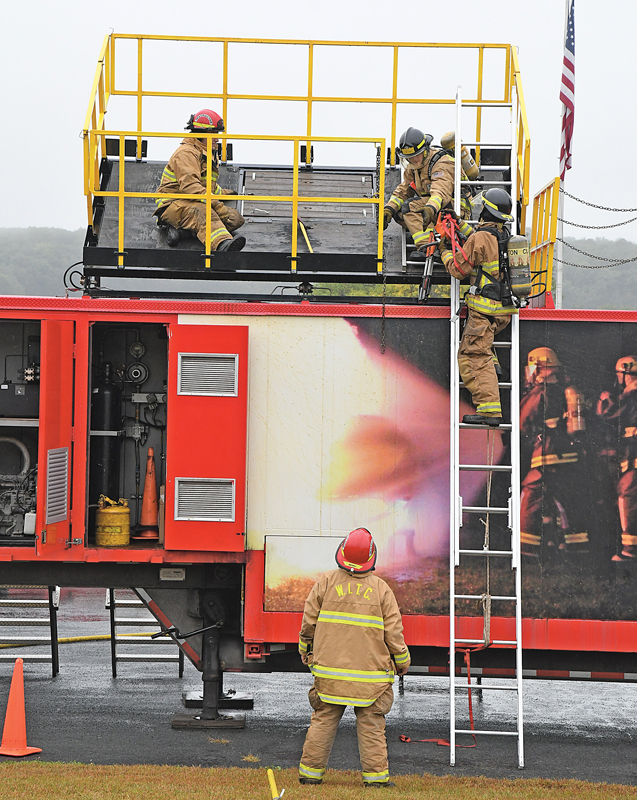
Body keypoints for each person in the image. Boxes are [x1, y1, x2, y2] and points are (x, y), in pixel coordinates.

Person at [298, 527, 410, 789]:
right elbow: (394, 634)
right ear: (372, 557)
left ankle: (310, 775)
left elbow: (308, 624)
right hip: (370, 679)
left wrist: (305, 650)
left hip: (329, 674)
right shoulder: (381, 590)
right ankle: (376, 780)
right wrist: (402, 662)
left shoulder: (325, 582)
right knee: (371, 725)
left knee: (323, 720)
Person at [440, 188, 518, 425]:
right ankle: (494, 367)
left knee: (472, 354)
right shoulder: (502, 234)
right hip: (503, 311)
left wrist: (444, 252)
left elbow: (459, 269)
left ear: (485, 210)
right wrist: (458, 223)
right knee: (483, 345)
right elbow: (476, 238)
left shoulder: (480, 238)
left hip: (484, 310)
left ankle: (489, 411)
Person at [519, 347, 589, 558]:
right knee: (568, 499)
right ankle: (576, 545)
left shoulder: (539, 393)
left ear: (540, 366)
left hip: (546, 454)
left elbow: (523, 422)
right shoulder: (566, 390)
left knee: (531, 497)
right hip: (569, 454)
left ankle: (526, 548)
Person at [154, 109, 246, 252]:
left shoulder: (207, 152)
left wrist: (223, 193)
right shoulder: (186, 153)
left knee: (235, 219)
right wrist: (216, 204)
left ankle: (182, 232)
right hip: (172, 204)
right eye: (213, 134)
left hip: (191, 200)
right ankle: (222, 245)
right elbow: (191, 187)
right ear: (201, 133)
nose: (217, 138)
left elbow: (207, 184)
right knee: (203, 212)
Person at [383, 128, 472, 262]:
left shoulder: (442, 163)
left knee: (410, 207)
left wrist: (430, 208)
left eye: (416, 155)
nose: (413, 159)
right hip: (435, 206)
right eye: (409, 157)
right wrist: (389, 209)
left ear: (425, 150)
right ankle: (434, 236)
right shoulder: (413, 166)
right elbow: (403, 190)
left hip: (454, 208)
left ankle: (430, 247)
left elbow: (440, 192)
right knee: (399, 213)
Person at [597, 356, 637, 560]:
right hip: (623, 454)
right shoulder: (621, 395)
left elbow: (608, 415)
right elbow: (606, 417)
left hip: (632, 455)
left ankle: (630, 550)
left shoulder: (629, 395)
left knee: (627, 495)